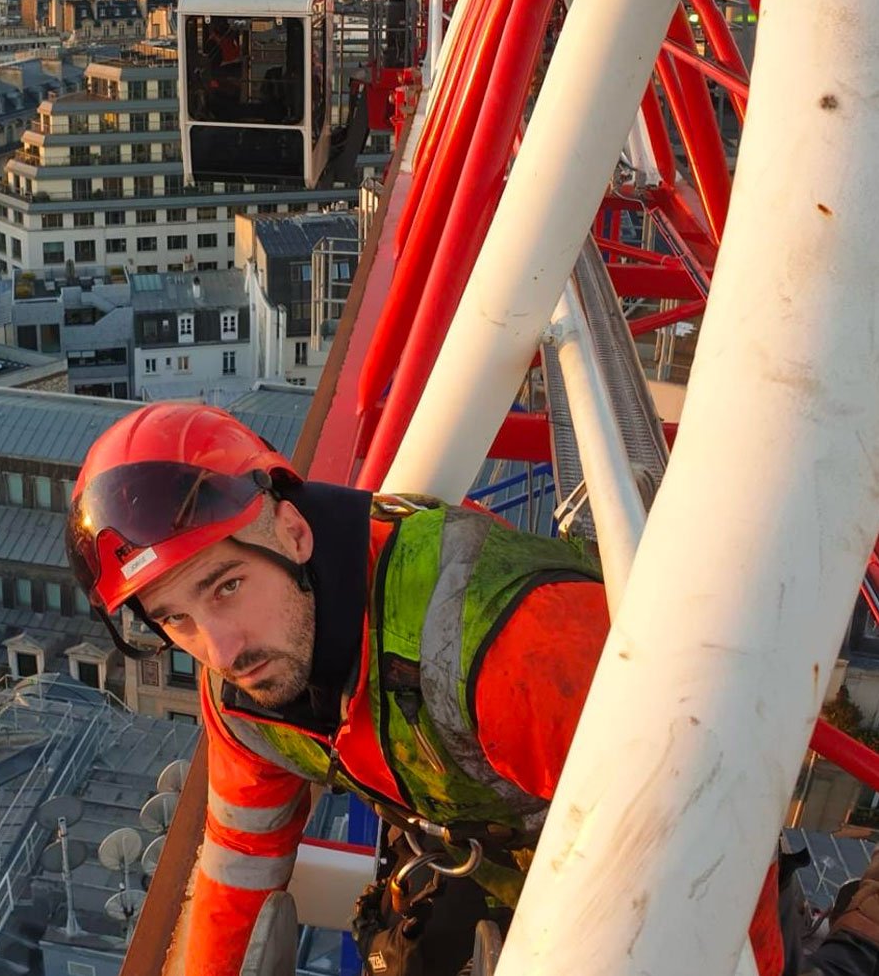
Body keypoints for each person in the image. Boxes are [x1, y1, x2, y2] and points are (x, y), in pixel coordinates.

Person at [67, 404, 879, 976]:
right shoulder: (245, 695)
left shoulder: (509, 646)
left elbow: (706, 852)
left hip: (664, 855)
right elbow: (239, 870)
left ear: (293, 529)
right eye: (174, 620)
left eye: (227, 585)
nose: (220, 647)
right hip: (499, 859)